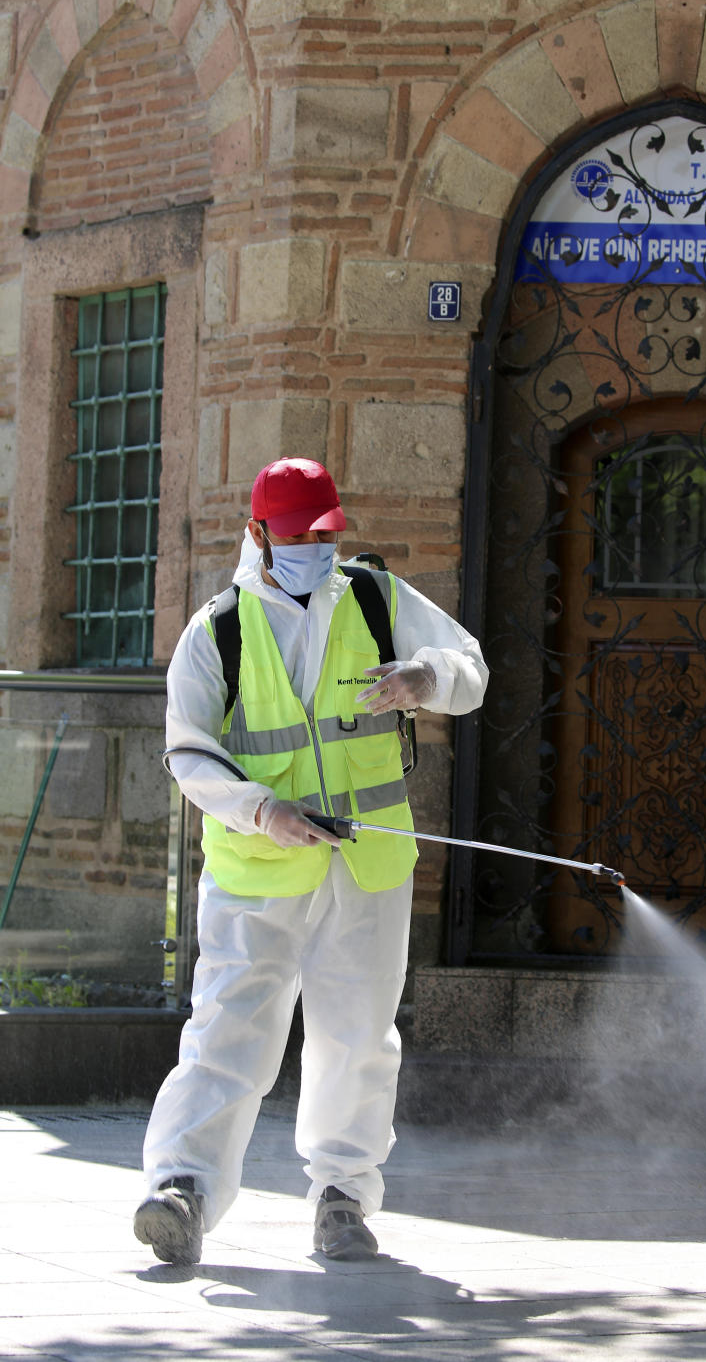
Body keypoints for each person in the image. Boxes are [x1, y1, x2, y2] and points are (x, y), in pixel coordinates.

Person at [134, 457, 488, 1266]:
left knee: (358, 1038)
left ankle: (343, 1200)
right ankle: (181, 1190)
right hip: (257, 867)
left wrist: (423, 677)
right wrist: (264, 809)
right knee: (229, 1030)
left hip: (365, 868)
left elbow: (469, 669)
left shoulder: (374, 596)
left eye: (325, 536)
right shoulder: (215, 631)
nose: (314, 551)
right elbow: (188, 755)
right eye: (296, 538)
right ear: (257, 534)